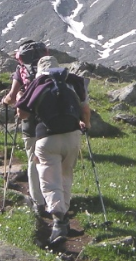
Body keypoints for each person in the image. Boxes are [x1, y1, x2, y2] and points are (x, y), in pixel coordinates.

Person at [16, 56, 92, 246]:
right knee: (66, 176)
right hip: (73, 136)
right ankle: (64, 216)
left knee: (50, 182)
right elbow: (86, 109)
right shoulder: (72, 83)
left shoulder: (38, 83)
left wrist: (19, 99)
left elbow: (23, 114)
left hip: (47, 138)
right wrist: (86, 125)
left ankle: (58, 220)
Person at [1, 40, 49, 216]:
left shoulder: (21, 70)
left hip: (30, 120)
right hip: (51, 120)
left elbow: (12, 96)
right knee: (51, 159)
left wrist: (6, 101)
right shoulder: (49, 68)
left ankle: (38, 201)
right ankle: (54, 198)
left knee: (33, 159)